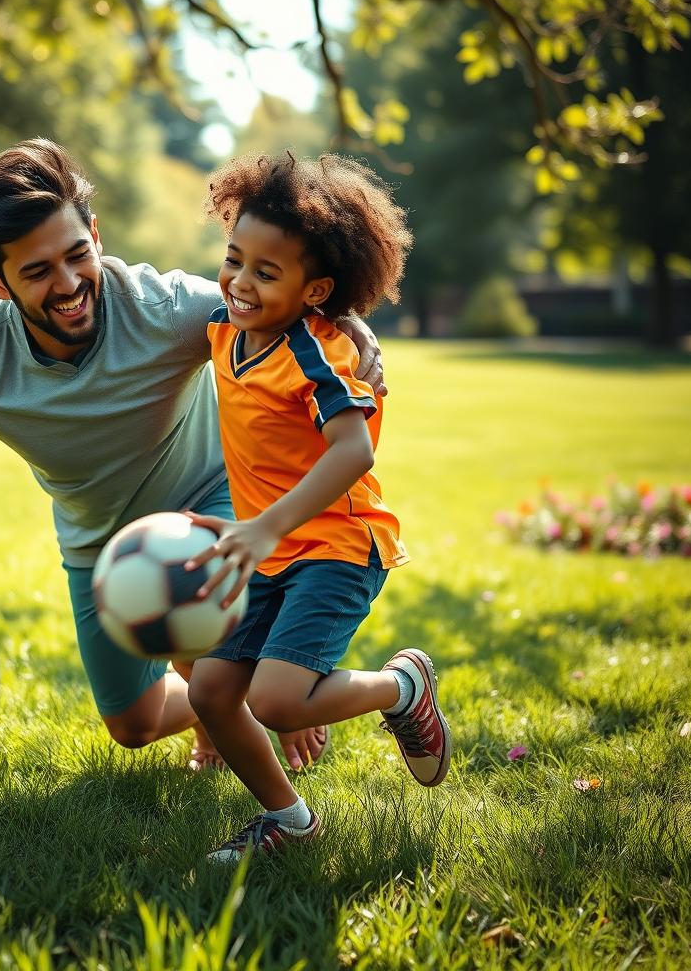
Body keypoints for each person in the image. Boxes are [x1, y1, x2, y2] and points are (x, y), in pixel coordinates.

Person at [0, 139, 388, 774]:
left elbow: (284, 302)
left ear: (96, 236)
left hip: (209, 508)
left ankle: (246, 705)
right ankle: (214, 706)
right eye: (38, 271)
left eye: (78, 255)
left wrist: (353, 325)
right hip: (97, 542)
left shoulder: (165, 307)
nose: (69, 284)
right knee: (133, 724)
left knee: (210, 646)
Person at [182, 152, 452, 863]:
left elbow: (353, 452)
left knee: (274, 700)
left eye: (266, 273)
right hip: (270, 550)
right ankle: (290, 819)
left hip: (338, 543)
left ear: (316, 291)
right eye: (234, 259)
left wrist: (263, 525)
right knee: (211, 688)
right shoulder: (221, 331)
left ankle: (402, 687)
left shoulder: (314, 354)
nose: (241, 282)